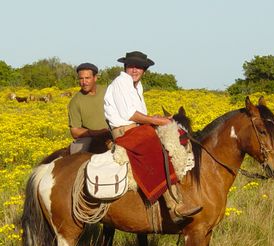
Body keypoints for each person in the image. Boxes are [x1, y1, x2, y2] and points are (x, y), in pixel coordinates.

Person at [104, 51, 201, 221]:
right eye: (132, 66)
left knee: (178, 137)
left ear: (144, 69)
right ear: (126, 67)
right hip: (124, 130)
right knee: (155, 149)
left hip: (136, 128)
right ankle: (173, 206)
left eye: (139, 67)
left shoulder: (136, 86)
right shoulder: (121, 82)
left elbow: (140, 115)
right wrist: (157, 121)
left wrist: (157, 119)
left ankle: (184, 192)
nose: (135, 70)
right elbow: (130, 114)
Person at [68, 62, 110, 154]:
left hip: (112, 134)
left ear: (95, 78)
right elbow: (75, 132)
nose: (84, 82)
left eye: (87, 78)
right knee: (76, 159)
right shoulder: (75, 102)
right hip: (89, 138)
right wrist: (98, 133)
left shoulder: (107, 91)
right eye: (81, 78)